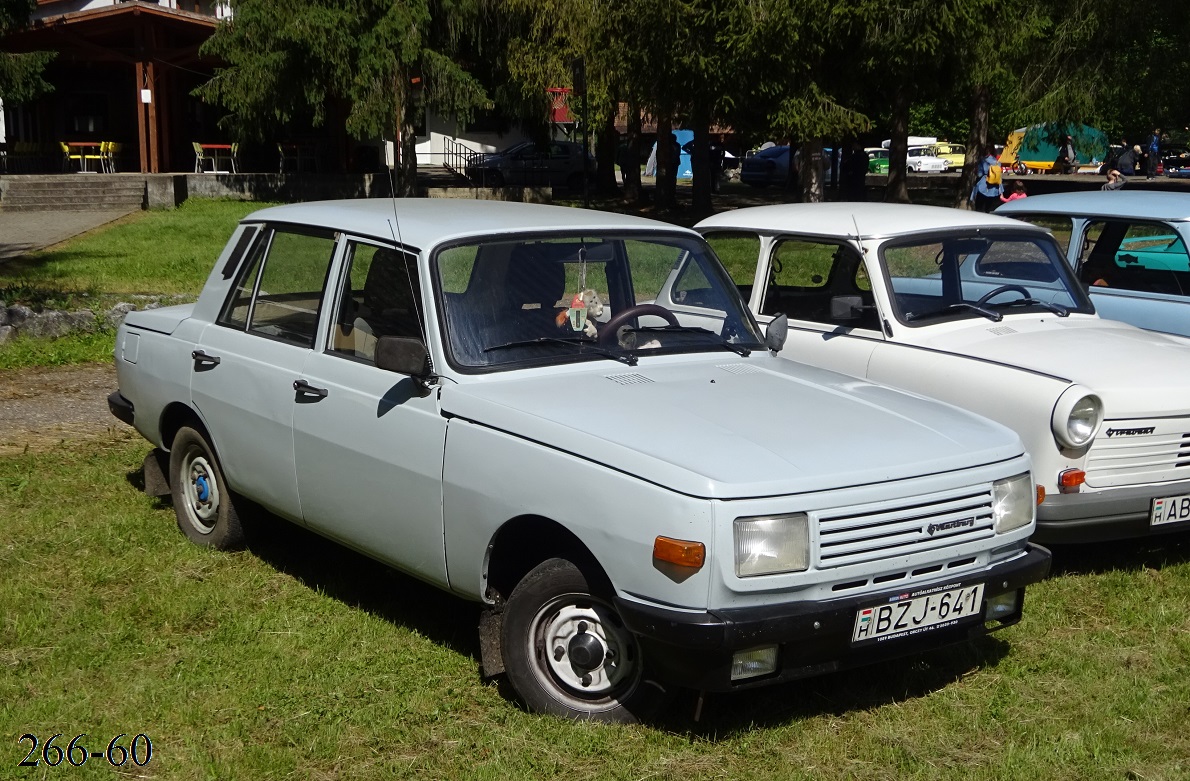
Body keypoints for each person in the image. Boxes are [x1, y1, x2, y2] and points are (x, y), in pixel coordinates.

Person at [970, 144, 1003, 212]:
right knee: (989, 208)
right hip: (994, 188)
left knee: (979, 208)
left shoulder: (983, 161)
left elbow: (979, 174)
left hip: (983, 186)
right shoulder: (998, 162)